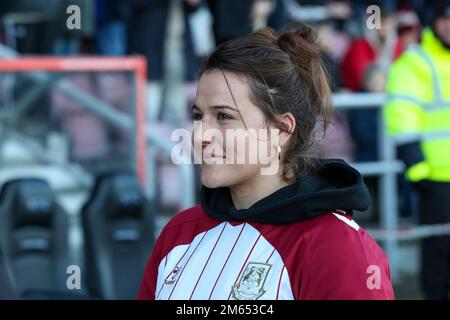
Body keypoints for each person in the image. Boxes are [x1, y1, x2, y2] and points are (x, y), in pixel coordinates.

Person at [138, 23, 394, 300]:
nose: (200, 136)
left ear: (282, 130)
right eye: (199, 116)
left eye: (224, 117)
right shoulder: (179, 233)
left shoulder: (337, 247)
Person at [384, 0, 450, 300]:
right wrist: (419, 170)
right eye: (445, 19)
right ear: (433, 23)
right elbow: (402, 118)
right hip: (435, 179)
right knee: (438, 252)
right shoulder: (414, 62)